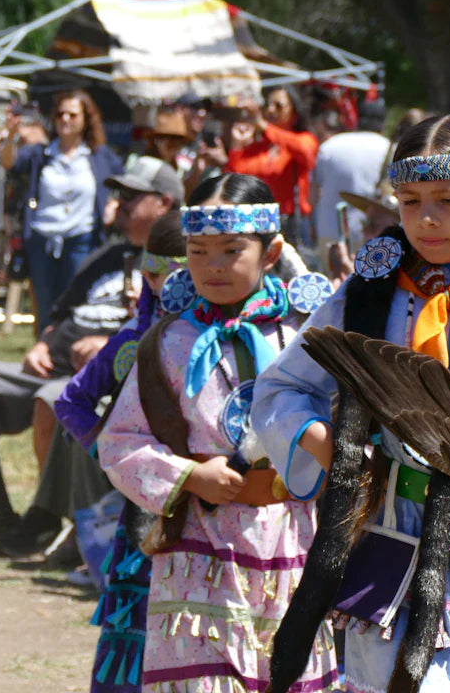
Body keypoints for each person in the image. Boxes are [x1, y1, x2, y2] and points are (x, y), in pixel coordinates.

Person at [253, 113, 450, 693]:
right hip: (386, 534)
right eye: (410, 201)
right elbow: (280, 387)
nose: (427, 218)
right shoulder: (368, 295)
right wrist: (333, 447)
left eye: (448, 199)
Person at [97, 172, 338, 693]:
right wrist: (188, 474)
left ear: (271, 252)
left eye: (231, 250)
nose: (214, 266)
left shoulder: (307, 338)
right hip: (198, 544)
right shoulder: (169, 343)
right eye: (199, 251)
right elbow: (118, 442)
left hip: (291, 540)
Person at [0, 157, 184, 550]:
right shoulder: (108, 255)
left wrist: (108, 344)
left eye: (132, 197)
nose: (119, 203)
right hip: (52, 364)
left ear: (165, 203)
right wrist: (41, 342)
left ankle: (48, 519)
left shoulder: (179, 267)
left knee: (51, 400)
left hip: (97, 380)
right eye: (118, 194)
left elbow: (163, 329)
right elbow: (60, 312)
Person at [0, 212, 188, 561]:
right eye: (180, 275)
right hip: (148, 498)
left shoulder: (232, 334)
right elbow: (72, 402)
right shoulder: (135, 338)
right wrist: (114, 456)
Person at [1, 90, 123, 331]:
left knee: (77, 306)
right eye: (60, 114)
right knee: (45, 307)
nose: (65, 119)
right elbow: (9, 163)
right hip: (42, 239)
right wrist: (11, 135)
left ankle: (71, 360)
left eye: (73, 114)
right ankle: (43, 358)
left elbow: (123, 183)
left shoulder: (99, 155)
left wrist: (113, 204)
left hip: (82, 239)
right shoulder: (41, 153)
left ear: (86, 119)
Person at [226, 87, 319, 247]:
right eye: (268, 105)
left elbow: (305, 152)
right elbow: (235, 176)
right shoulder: (259, 146)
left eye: (279, 106)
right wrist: (237, 145)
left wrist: (263, 125)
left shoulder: (304, 139)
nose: (270, 110)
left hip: (291, 223)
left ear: (295, 113)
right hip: (258, 221)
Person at [311, 99, 391, 271]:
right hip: (373, 233)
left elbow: (314, 192)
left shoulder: (330, 145)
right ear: (383, 123)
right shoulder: (388, 148)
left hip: (329, 230)